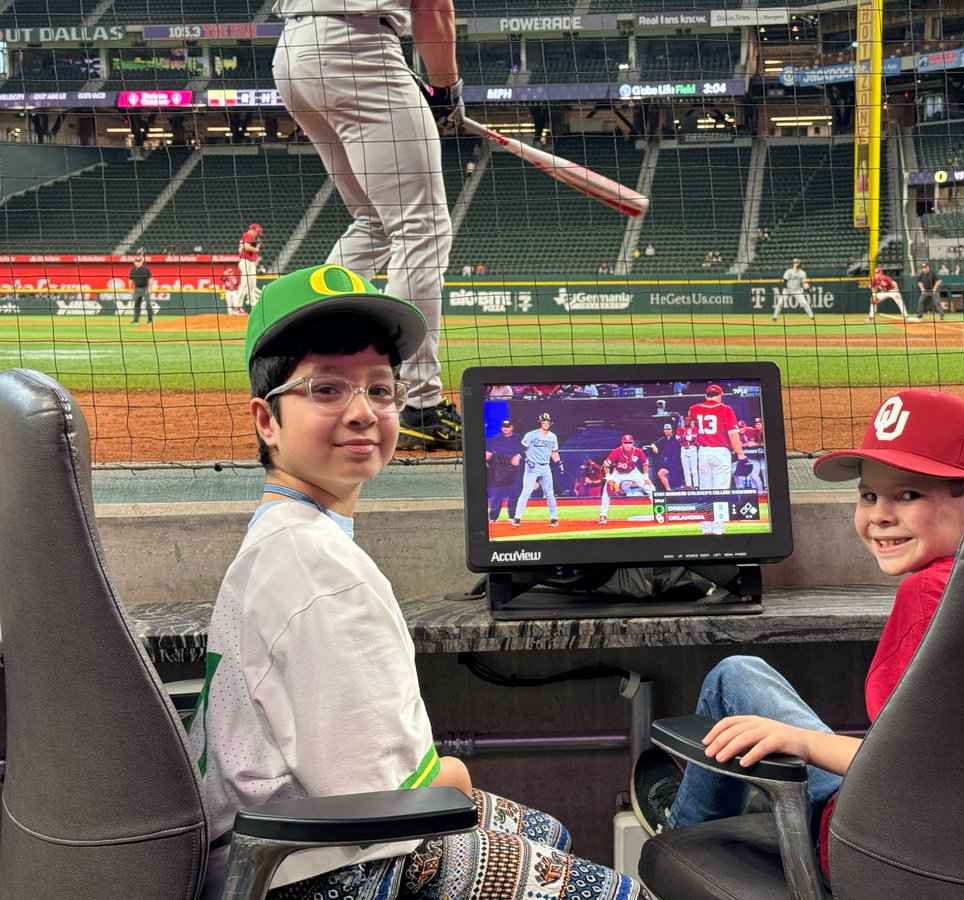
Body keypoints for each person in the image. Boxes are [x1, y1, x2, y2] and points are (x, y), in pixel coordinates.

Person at [188, 263, 642, 899]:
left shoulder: (288, 535)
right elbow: (392, 797)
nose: (361, 412)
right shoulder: (316, 569)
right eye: (325, 389)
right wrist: (455, 772)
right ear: (268, 421)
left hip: (269, 847)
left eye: (379, 389)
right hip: (315, 871)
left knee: (543, 830)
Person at [631, 389, 964, 889]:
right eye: (869, 494)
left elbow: (914, 770)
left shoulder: (930, 594)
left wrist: (804, 742)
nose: (879, 515)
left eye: (908, 494)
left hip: (884, 855)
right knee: (746, 678)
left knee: (732, 677)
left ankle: (683, 834)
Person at [272, 0, 465, 450]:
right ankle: (417, 403)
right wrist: (446, 91)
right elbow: (434, 7)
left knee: (375, 222)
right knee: (422, 227)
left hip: (294, 54)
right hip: (357, 46)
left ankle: (318, 360)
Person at [686, 384, 749, 496]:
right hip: (721, 451)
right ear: (720, 395)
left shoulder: (693, 409)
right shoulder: (726, 409)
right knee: (721, 491)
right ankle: (720, 512)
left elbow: (691, 423)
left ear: (706, 396)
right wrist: (741, 454)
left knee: (705, 490)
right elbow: (733, 434)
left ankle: (707, 512)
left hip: (703, 452)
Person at [512, 412, 563, 527]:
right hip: (532, 466)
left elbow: (554, 452)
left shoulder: (553, 436)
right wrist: (527, 459)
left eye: (547, 421)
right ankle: (517, 518)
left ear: (550, 423)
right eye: (543, 421)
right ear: (540, 422)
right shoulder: (531, 435)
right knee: (526, 491)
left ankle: (554, 518)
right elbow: (521, 448)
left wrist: (559, 462)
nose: (546, 423)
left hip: (545, 466)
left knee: (550, 493)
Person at [598, 434, 656, 525]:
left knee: (651, 488)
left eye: (629, 443)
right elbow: (606, 465)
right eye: (625, 443)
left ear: (633, 443)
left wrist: (646, 477)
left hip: (633, 472)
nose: (627, 445)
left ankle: (658, 512)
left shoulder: (638, 451)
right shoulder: (616, 452)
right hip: (618, 473)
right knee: (606, 490)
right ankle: (603, 515)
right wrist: (609, 478)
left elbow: (645, 464)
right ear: (622, 443)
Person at [485, 418, 522, 523]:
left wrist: (519, 455)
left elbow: (526, 451)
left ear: (512, 427)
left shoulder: (518, 438)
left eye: (508, 427)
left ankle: (513, 516)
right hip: (500, 471)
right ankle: (493, 517)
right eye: (504, 427)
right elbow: (488, 453)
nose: (505, 429)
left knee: (514, 494)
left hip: (514, 471)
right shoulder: (496, 439)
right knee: (497, 495)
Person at [233, 222, 262, 312]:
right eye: (257, 232)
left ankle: (254, 307)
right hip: (245, 261)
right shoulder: (247, 235)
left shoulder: (251, 238)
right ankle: (237, 307)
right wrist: (256, 249)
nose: (257, 235)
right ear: (254, 230)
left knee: (252, 285)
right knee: (245, 283)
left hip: (250, 262)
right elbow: (246, 246)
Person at [647, 421, 683, 492]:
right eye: (666, 429)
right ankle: (668, 490)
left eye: (669, 429)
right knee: (660, 473)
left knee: (678, 479)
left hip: (677, 462)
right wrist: (654, 447)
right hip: (668, 463)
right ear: (664, 430)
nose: (667, 431)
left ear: (672, 430)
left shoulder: (676, 438)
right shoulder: (663, 439)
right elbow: (653, 444)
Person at [128, 253, 153, 325]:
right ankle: (136, 320)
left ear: (142, 262)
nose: (138, 263)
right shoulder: (133, 270)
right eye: (137, 261)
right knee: (136, 304)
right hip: (137, 289)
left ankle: (150, 320)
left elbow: (151, 278)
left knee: (148, 304)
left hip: (145, 288)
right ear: (134, 262)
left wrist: (149, 288)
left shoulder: (145, 269)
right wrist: (130, 289)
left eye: (139, 261)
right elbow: (130, 279)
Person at [678, 414, 698, 489]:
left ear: (691, 420)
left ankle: (696, 485)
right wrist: (687, 437)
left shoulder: (694, 428)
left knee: (694, 470)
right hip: (683, 449)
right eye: (686, 420)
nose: (687, 421)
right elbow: (678, 439)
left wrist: (684, 437)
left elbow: (693, 439)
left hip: (692, 449)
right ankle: (689, 485)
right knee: (686, 470)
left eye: (688, 420)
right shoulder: (680, 429)